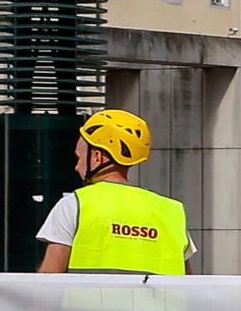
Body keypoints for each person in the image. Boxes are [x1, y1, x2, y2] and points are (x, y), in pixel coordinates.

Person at [38, 108, 193, 273]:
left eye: (79, 158)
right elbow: (188, 286)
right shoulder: (172, 212)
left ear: (97, 157)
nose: (76, 167)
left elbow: (48, 282)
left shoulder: (74, 205)